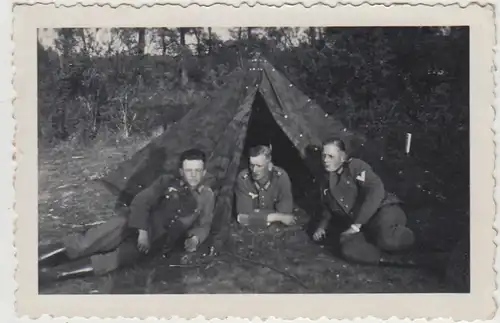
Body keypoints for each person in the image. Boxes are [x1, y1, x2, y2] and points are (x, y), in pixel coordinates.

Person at [39, 148, 215, 282]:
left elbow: (204, 224)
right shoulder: (166, 182)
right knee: (90, 240)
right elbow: (141, 201)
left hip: (154, 241)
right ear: (181, 172)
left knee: (113, 260)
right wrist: (142, 231)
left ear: (204, 172)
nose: (193, 175)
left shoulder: (207, 196)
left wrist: (195, 238)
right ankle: (36, 259)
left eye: (198, 171)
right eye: (189, 170)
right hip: (131, 223)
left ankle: (51, 275)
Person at [313, 138, 416, 266]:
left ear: (342, 157)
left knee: (386, 239)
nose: (325, 160)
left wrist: (356, 225)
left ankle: (414, 240)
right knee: (348, 249)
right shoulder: (326, 182)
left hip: (383, 211)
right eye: (323, 156)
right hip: (364, 225)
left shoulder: (355, 167)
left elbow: (376, 190)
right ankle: (387, 259)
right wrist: (322, 227)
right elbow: (328, 207)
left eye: (330, 156)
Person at [234, 145, 296, 227]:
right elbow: (242, 218)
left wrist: (255, 215)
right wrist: (275, 216)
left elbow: (286, 214)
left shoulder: (281, 177)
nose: (254, 170)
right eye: (252, 165)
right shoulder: (243, 179)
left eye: (259, 166)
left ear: (269, 165)